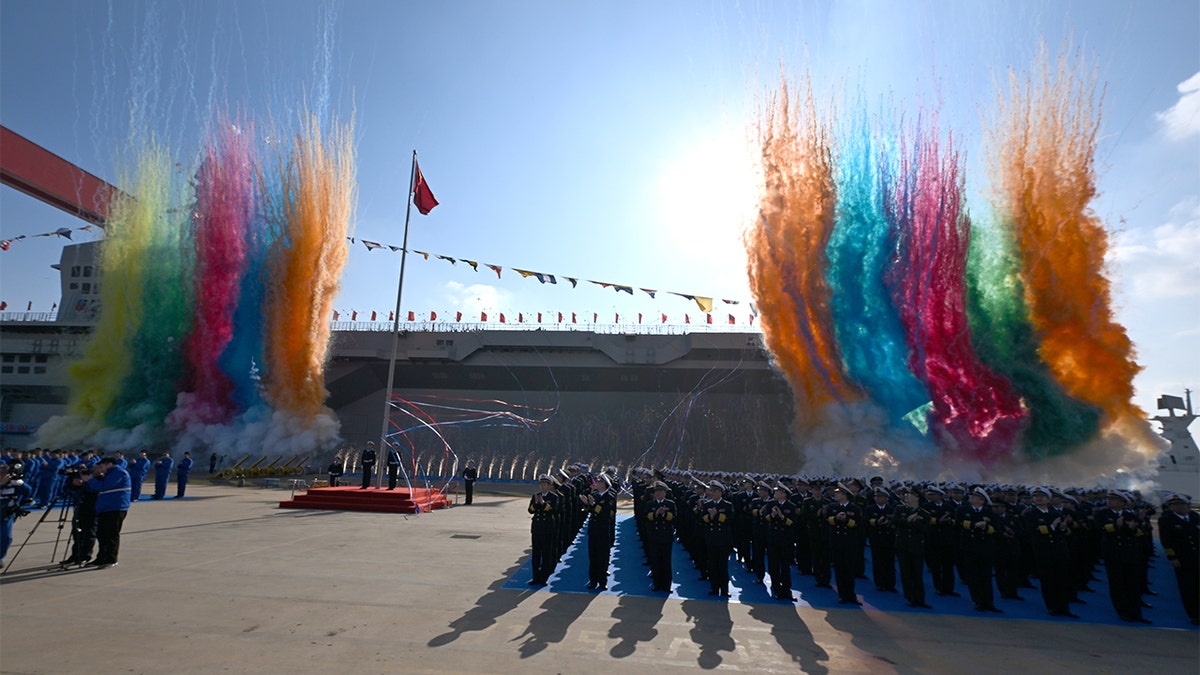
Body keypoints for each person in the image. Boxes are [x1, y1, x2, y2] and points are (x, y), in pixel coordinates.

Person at [1022, 486, 1078, 618]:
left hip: (1059, 550)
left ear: (1048, 499)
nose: (1038, 498)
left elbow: (1063, 533)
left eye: (1042, 496)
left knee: (1062, 580)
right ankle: (1052, 606)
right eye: (1036, 496)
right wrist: (1052, 527)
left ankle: (1064, 607)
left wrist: (1063, 528)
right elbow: (1033, 531)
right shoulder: (1030, 513)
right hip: (1043, 551)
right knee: (1048, 581)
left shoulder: (1055, 513)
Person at [958, 487, 1002, 613]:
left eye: (976, 497)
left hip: (985, 548)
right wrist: (974, 525)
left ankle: (989, 602)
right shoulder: (963, 509)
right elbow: (959, 523)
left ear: (982, 501)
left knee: (986, 576)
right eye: (972, 496)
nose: (972, 498)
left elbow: (996, 529)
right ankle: (978, 601)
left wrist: (986, 526)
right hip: (969, 547)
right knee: (973, 576)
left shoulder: (989, 513)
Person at [1158, 493, 1198, 626]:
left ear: (1187, 505)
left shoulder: (1195, 517)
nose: (1178, 507)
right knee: (1187, 587)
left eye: (1180, 504)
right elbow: (1166, 541)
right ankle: (1193, 614)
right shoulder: (1166, 520)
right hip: (1182, 558)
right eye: (1174, 505)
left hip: (1197, 556)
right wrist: (1172, 557)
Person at [85, 457, 131, 569]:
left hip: (115, 508)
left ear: (109, 464)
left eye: (101, 466)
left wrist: (90, 479)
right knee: (102, 534)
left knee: (111, 534)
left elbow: (104, 486)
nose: (100, 469)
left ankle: (111, 559)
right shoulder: (109, 474)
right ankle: (101, 558)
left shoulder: (119, 472)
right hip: (105, 508)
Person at [894, 488, 932, 608]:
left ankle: (920, 598)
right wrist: (908, 520)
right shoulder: (900, 509)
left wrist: (916, 522)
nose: (907, 496)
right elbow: (895, 522)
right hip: (903, 545)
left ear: (917, 498)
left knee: (917, 573)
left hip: (916, 546)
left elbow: (926, 529)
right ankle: (910, 597)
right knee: (906, 573)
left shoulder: (924, 514)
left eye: (911, 494)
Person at [828, 485, 863, 605]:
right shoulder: (832, 507)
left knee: (849, 569)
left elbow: (858, 524)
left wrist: (847, 520)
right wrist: (837, 519)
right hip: (836, 541)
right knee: (839, 569)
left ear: (845, 495)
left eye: (838, 493)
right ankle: (842, 594)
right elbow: (827, 520)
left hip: (849, 542)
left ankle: (851, 594)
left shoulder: (855, 509)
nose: (835, 495)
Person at [583, 474, 617, 590]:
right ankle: (593, 581)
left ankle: (602, 582)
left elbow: (605, 513)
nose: (597, 484)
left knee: (603, 557)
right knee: (593, 557)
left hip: (603, 530)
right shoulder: (595, 495)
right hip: (593, 529)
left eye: (599, 482)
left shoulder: (610, 497)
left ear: (605, 484)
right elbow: (590, 511)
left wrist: (592, 504)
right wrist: (587, 504)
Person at [700, 481, 733, 597]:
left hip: (723, 539)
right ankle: (714, 587)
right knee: (713, 564)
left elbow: (730, 520)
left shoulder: (727, 505)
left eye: (715, 491)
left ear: (721, 492)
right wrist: (711, 516)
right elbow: (703, 519)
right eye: (712, 490)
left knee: (723, 565)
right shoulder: (707, 505)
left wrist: (717, 516)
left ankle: (724, 589)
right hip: (711, 538)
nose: (713, 493)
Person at [644, 480, 677, 592]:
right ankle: (657, 584)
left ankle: (667, 585)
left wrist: (664, 514)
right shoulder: (650, 504)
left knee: (666, 561)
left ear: (665, 492)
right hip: (654, 536)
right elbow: (647, 518)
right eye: (657, 491)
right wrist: (656, 513)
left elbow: (673, 518)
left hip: (666, 536)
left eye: (661, 491)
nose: (658, 493)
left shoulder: (670, 504)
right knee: (656, 561)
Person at [765, 485, 797, 601]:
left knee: (785, 566)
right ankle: (776, 588)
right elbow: (766, 518)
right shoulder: (771, 504)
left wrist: (782, 517)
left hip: (786, 540)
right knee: (774, 565)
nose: (775, 493)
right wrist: (773, 515)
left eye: (778, 492)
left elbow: (793, 523)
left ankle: (786, 590)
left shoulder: (791, 506)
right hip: (773, 539)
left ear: (784, 494)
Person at [528, 475, 560, 586]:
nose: (542, 487)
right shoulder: (535, 496)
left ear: (549, 486)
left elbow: (554, 511)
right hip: (537, 528)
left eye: (545, 485)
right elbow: (530, 510)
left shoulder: (554, 497)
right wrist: (536, 504)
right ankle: (535, 577)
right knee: (536, 554)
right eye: (541, 484)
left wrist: (543, 504)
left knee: (546, 555)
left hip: (547, 529)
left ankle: (544, 577)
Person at [0, 462, 33, 567]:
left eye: (4, 473)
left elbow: (28, 492)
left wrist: (22, 484)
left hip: (6, 514)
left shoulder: (12, 483)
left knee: (6, 537)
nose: (3, 475)